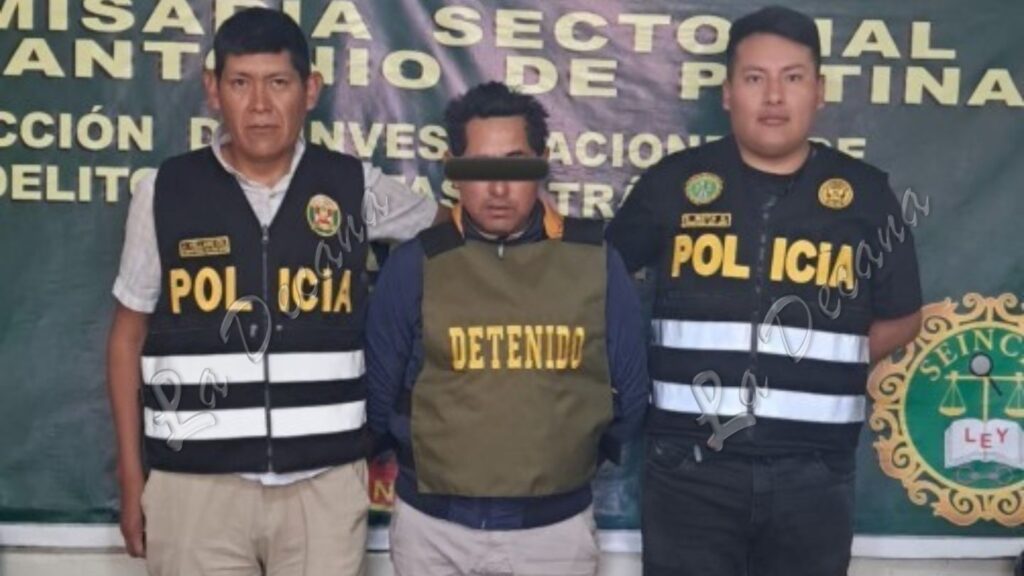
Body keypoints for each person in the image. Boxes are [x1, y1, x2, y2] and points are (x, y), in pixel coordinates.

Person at [106, 7, 440, 575]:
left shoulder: (352, 186)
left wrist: (531, 206)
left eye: (278, 82)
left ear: (310, 90)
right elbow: (126, 339)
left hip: (323, 485)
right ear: (213, 90)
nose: (260, 104)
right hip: (194, 488)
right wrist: (131, 475)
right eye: (241, 83)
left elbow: (451, 226)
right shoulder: (165, 192)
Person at [605, 6, 923, 576]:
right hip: (688, 467)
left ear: (819, 91)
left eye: (792, 77)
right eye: (755, 78)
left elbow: (903, 317)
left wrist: (820, 361)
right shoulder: (673, 183)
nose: (774, 96)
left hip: (816, 472)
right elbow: (602, 284)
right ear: (728, 92)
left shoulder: (865, 195)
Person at [366, 81, 649, 576]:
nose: (498, 188)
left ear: (542, 162)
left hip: (553, 533)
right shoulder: (415, 264)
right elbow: (377, 397)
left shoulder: (594, 261)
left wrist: (563, 458)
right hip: (434, 531)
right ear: (453, 168)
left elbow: (631, 398)